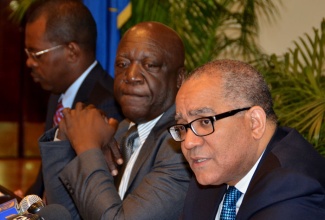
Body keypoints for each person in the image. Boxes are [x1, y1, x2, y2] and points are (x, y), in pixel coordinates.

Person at [38, 21, 192, 219]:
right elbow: (65, 213)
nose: (131, 76)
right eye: (122, 64)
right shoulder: (120, 131)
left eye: (150, 65)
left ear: (179, 78)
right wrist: (66, 133)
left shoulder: (181, 146)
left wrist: (87, 147)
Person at [167, 59, 325, 220]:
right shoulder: (212, 174)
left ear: (255, 123)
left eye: (205, 122)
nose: (189, 142)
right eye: (183, 126)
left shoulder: (293, 187)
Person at [21, 0, 123, 197]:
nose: (29, 62)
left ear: (72, 52)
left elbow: (90, 196)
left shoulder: (107, 105)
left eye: (36, 54)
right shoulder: (57, 95)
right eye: (28, 53)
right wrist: (22, 204)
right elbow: (46, 177)